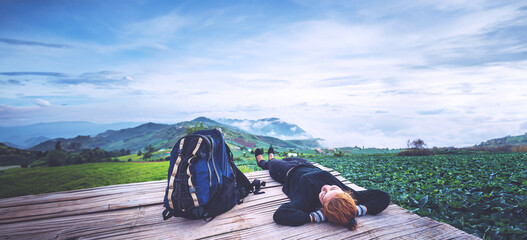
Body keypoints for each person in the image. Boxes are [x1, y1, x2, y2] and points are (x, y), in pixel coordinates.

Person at [255, 146, 390, 230]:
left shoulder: (305, 202)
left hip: (286, 172)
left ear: (323, 208)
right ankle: (273, 158)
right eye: (333, 189)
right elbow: (383, 197)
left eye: (324, 194)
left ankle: (265, 160)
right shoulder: (350, 196)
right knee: (287, 158)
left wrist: (314, 217)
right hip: (307, 164)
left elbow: (280, 215)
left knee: (272, 164)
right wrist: (356, 210)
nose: (326, 188)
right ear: (345, 194)